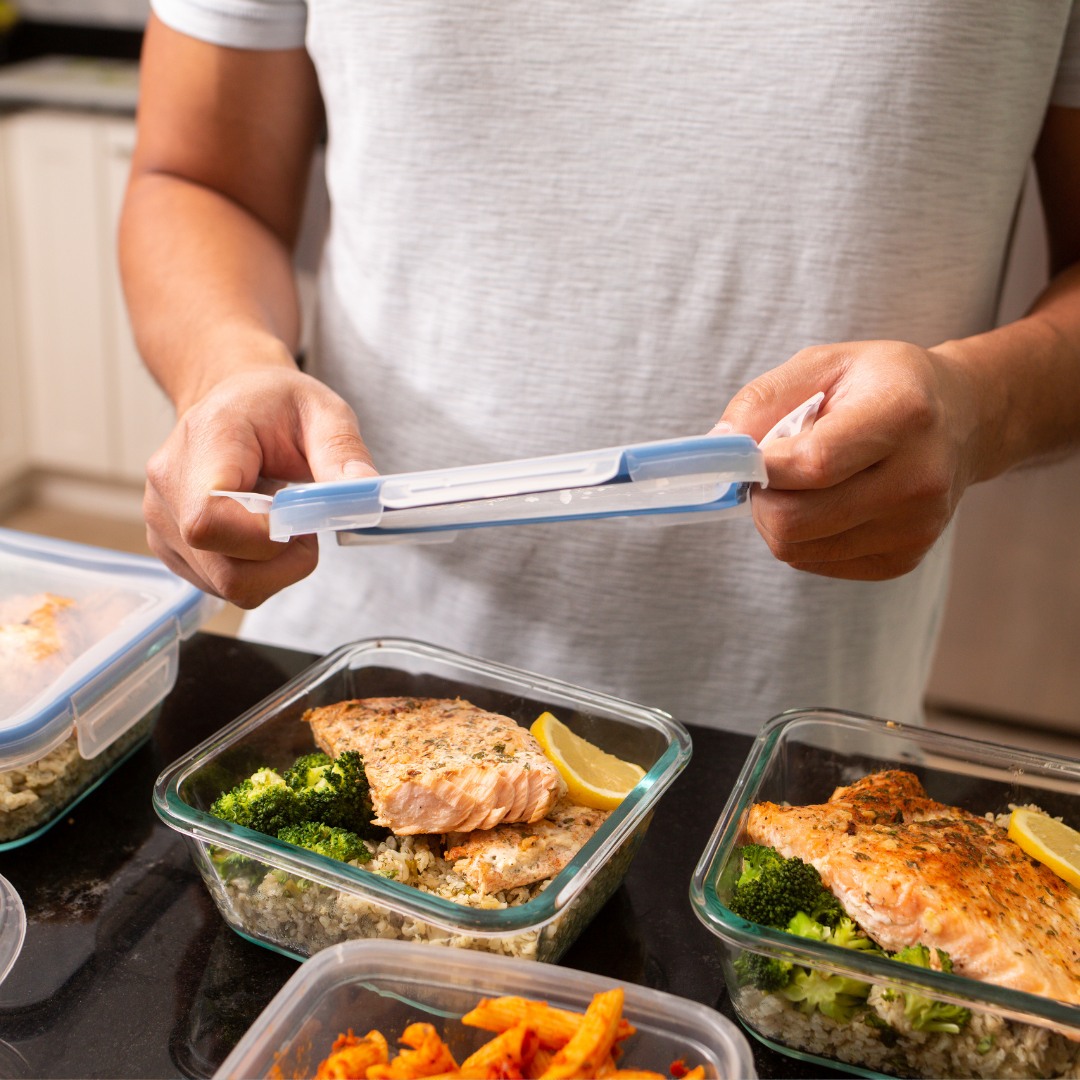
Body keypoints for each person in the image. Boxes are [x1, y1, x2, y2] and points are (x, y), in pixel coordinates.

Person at [120, 1, 1080, 736]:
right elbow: (198, 176)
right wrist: (225, 368)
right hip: (348, 684)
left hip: (787, 735)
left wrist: (977, 411)